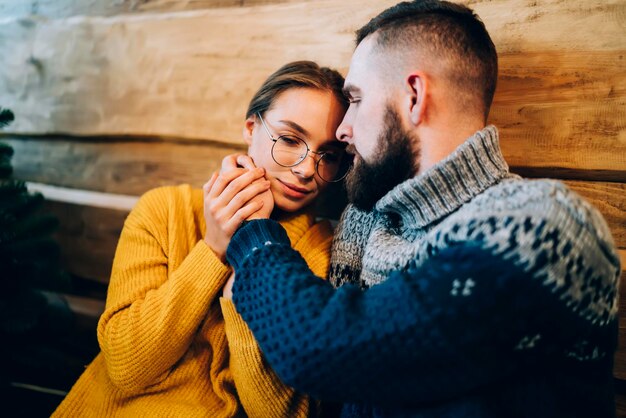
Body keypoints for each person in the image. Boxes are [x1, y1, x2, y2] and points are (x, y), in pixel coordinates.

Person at [222, 1, 621, 417]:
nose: (344, 130)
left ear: (414, 95)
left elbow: (325, 349)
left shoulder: (540, 227)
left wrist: (251, 230)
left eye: (356, 100)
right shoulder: (364, 221)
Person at [52, 60, 349, 417]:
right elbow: (125, 366)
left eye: (328, 155)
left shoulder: (322, 251)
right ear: (251, 128)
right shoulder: (165, 210)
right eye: (289, 139)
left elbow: (282, 412)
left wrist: (252, 258)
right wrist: (213, 249)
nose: (305, 170)